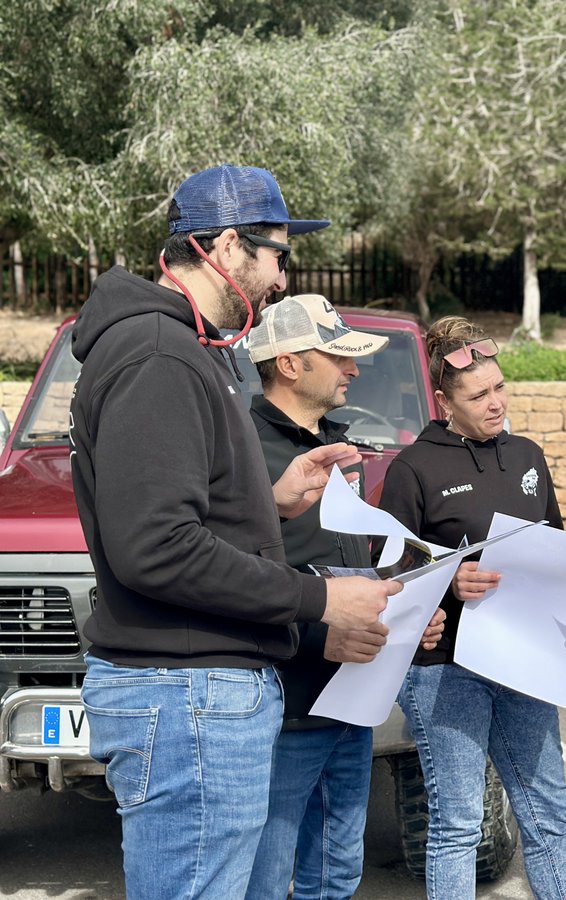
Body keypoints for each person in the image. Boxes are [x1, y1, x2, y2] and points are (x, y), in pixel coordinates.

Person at [69, 165, 397, 900]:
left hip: (195, 693)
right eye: (277, 252)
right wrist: (319, 601)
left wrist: (270, 503)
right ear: (222, 244)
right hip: (188, 696)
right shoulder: (159, 354)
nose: (283, 276)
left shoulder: (183, 349)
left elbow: (175, 521)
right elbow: (155, 549)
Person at [243, 294, 446, 899]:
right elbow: (234, 576)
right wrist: (319, 630)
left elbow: (350, 566)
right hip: (282, 708)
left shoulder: (340, 443)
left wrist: (407, 617)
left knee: (336, 878)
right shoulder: (241, 450)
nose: (353, 370)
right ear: (290, 364)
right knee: (266, 879)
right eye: (339, 356)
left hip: (352, 704)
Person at [376, 315, 566, 899]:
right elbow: (390, 575)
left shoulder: (527, 455)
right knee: (457, 825)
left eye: (499, 389)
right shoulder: (413, 468)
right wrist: (448, 583)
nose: (495, 404)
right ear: (444, 400)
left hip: (523, 661)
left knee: (548, 817)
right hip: (446, 669)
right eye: (478, 395)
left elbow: (556, 547)